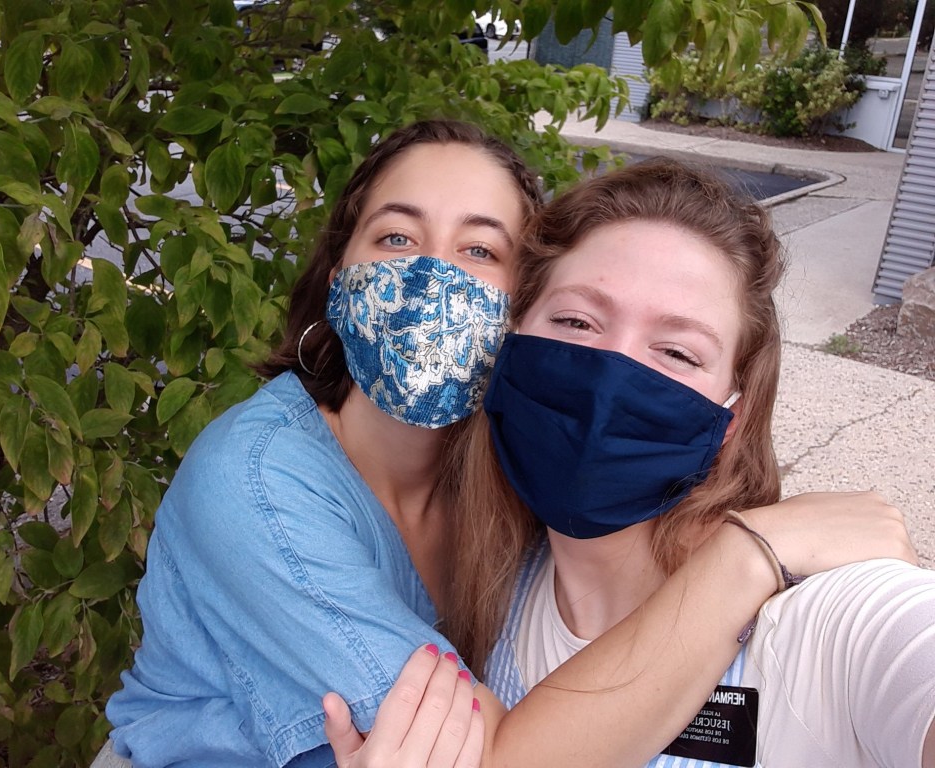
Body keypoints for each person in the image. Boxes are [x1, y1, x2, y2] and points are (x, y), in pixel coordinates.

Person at [98, 123, 916, 768]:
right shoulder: (257, 481)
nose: (431, 278)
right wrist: (748, 556)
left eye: (480, 250)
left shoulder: (514, 483)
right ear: (337, 274)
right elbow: (499, 756)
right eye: (395, 237)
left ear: (513, 312)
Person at [330, 157, 934, 768]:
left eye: (677, 352)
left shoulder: (828, 622)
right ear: (507, 344)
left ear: (734, 416)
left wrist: (753, 555)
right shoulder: (500, 585)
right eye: (575, 321)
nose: (611, 375)